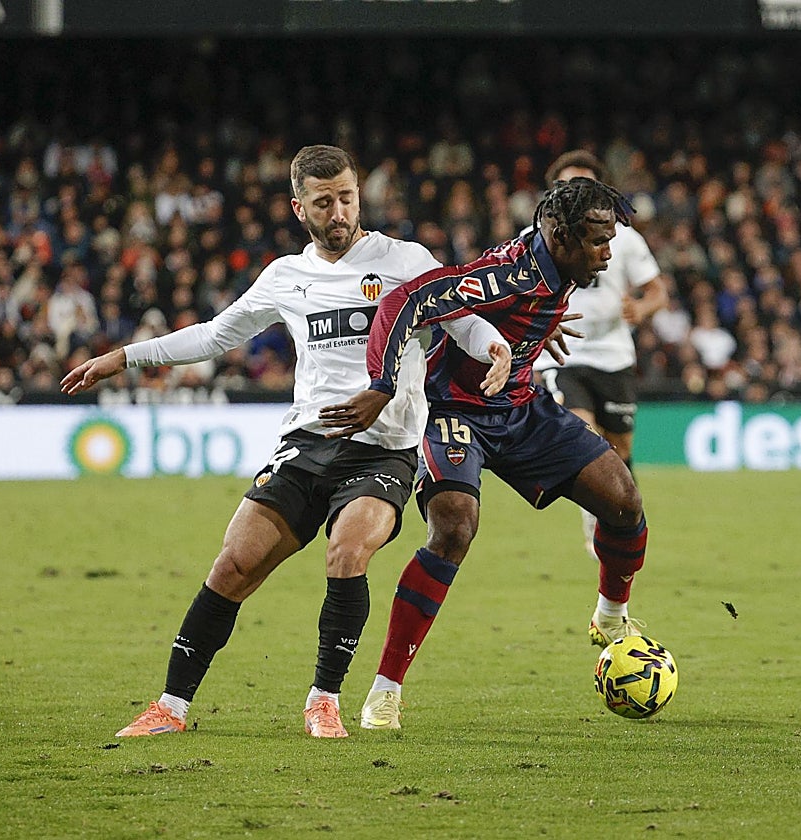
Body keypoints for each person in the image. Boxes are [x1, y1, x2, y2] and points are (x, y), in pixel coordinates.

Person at [60, 145, 511, 739]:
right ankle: (170, 707)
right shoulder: (285, 277)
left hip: (384, 448)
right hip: (307, 444)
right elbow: (215, 335)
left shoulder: (404, 261)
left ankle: (324, 700)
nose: (339, 212)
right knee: (234, 565)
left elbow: (462, 318)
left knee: (348, 552)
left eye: (346, 197)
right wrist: (125, 356)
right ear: (299, 208)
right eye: (323, 202)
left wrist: (495, 347)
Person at [319, 177, 652, 730]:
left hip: (518, 405)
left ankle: (611, 618)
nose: (607, 253)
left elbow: (520, 310)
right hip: (454, 410)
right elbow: (406, 301)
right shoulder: (507, 275)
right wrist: (381, 385)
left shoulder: (555, 263)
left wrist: (537, 330)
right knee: (454, 529)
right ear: (561, 236)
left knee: (624, 501)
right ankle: (385, 691)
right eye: (598, 241)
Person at [531, 150, 669, 557]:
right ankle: (596, 525)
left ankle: (624, 520)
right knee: (584, 437)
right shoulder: (534, 237)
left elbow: (658, 292)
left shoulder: (624, 238)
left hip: (613, 356)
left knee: (619, 451)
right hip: (562, 356)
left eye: (582, 185)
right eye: (565, 186)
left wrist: (641, 309)